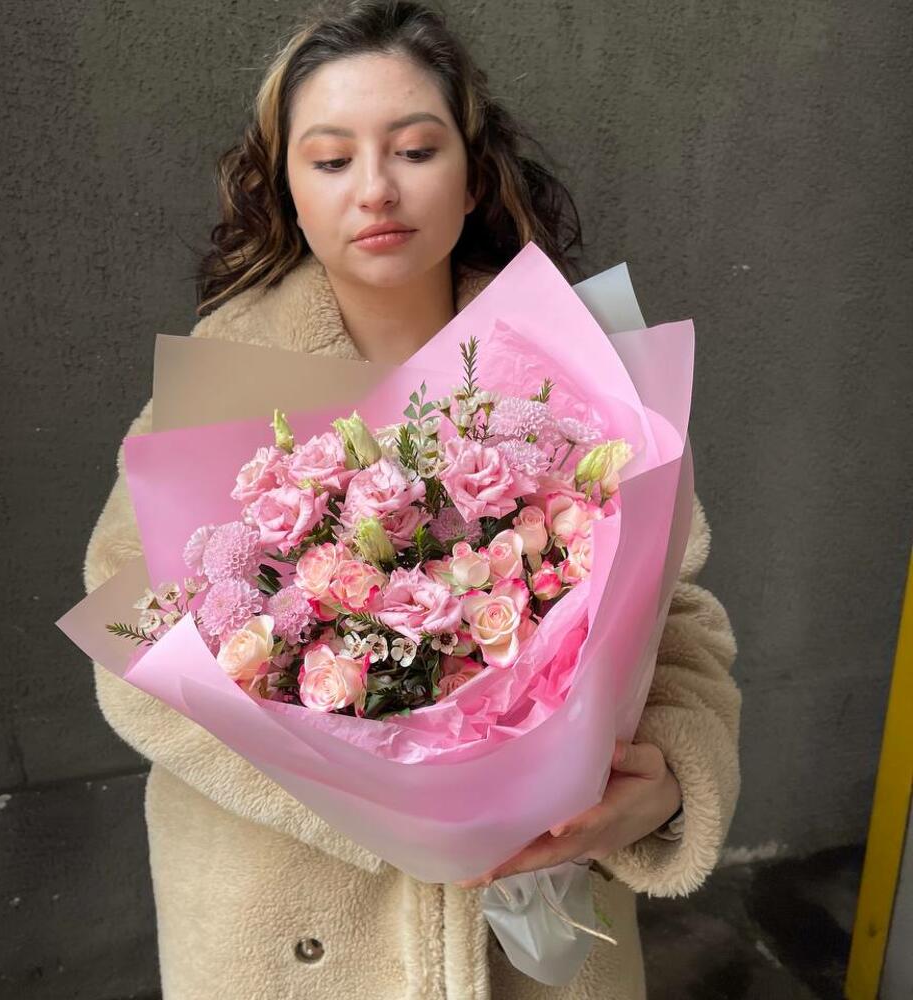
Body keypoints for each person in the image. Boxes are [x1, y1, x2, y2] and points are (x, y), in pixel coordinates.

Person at [83, 2, 741, 997]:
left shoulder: (574, 377)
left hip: (540, 925)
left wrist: (672, 781)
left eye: (416, 149)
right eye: (331, 158)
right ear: (287, 189)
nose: (376, 189)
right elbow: (137, 648)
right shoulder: (214, 395)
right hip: (291, 938)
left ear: (472, 176)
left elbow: (676, 620)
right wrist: (386, 798)